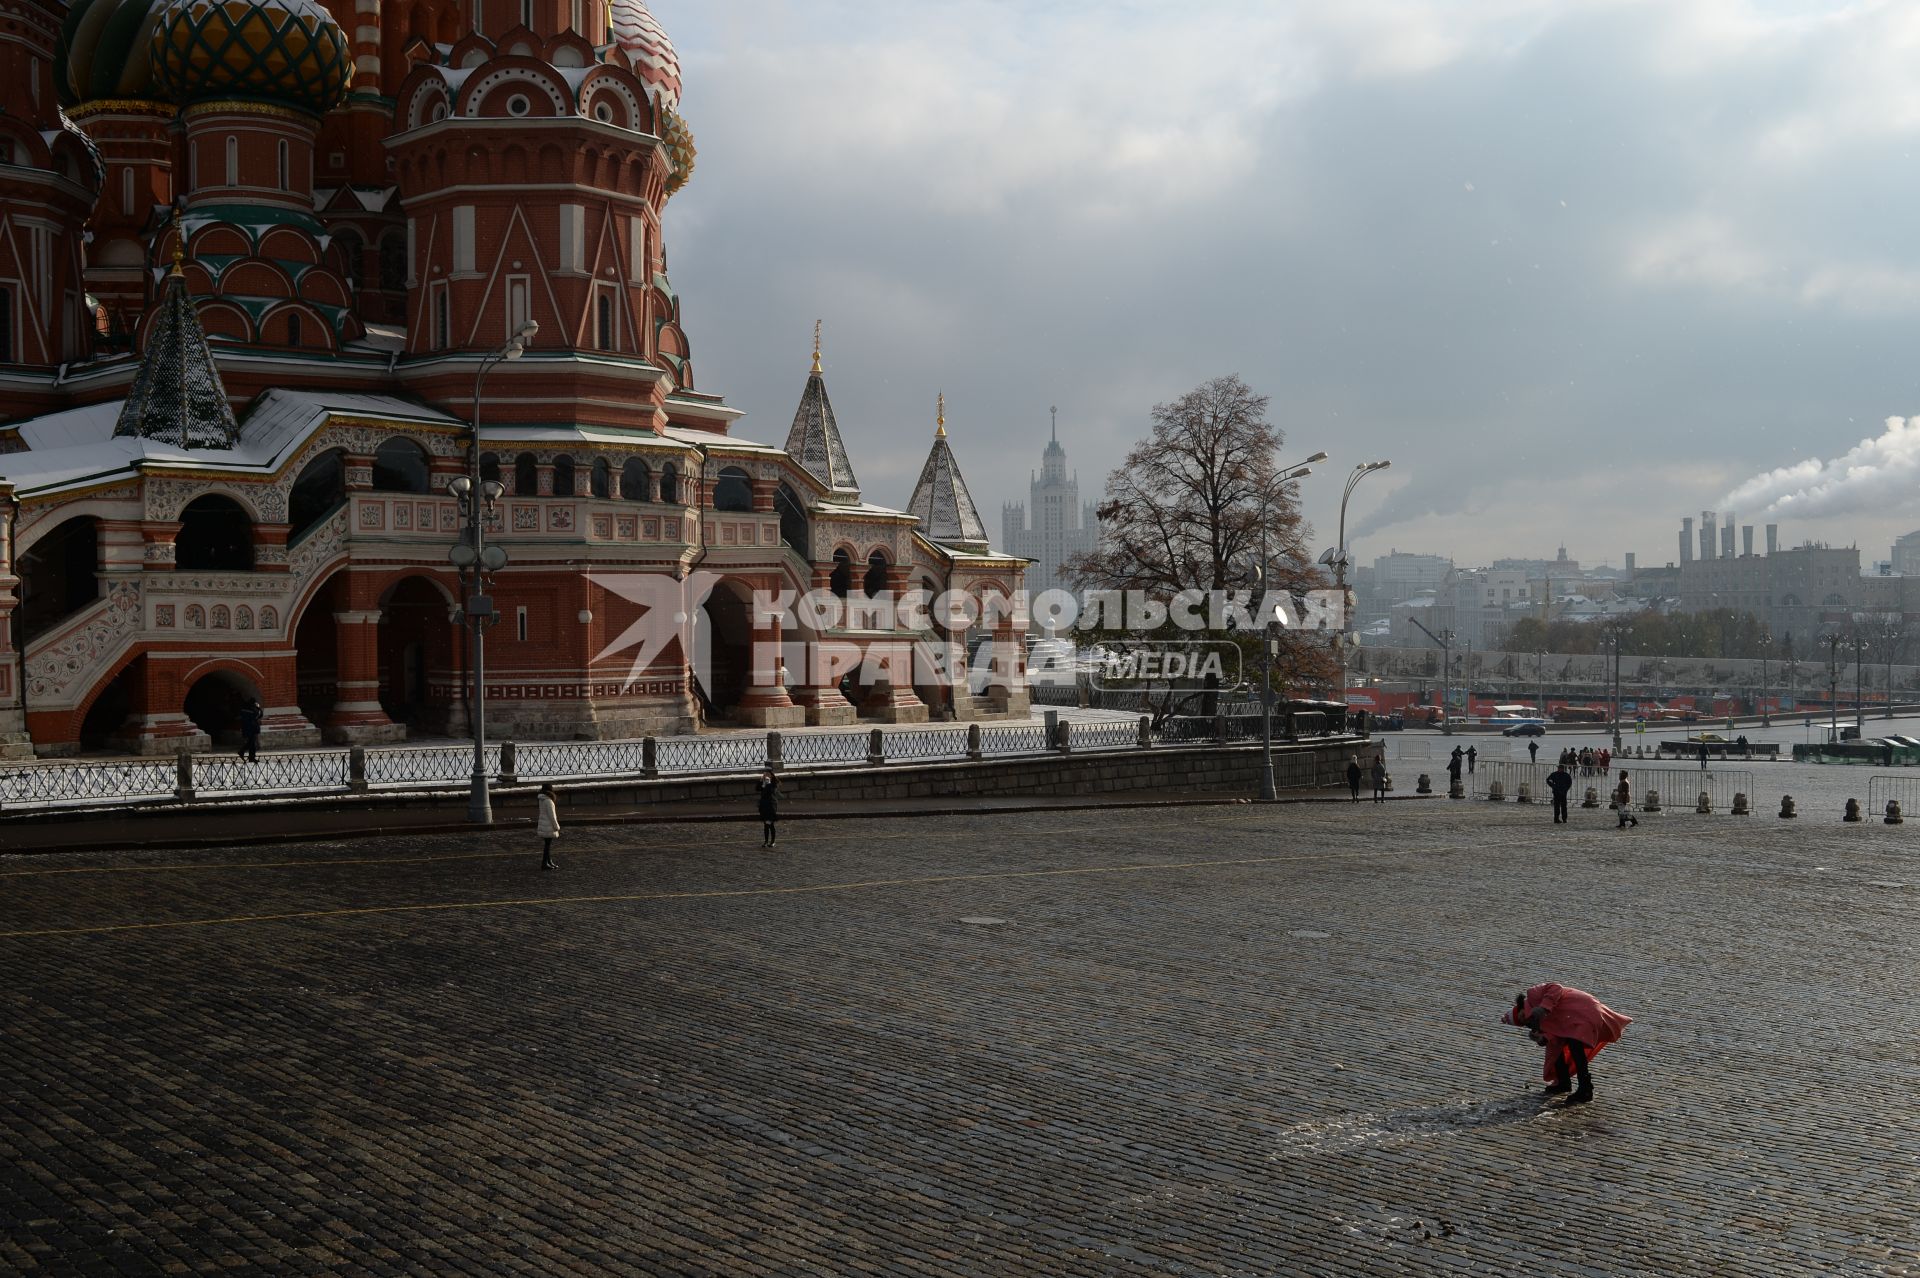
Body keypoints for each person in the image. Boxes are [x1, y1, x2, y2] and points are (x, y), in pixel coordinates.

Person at [1502, 983, 1632, 1105]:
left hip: (1584, 1011)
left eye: (1520, 1015)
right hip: (1575, 1020)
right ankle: (1564, 1083)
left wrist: (1544, 1008)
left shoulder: (1533, 994)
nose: (1524, 1018)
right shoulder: (1538, 1022)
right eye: (1522, 1022)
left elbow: (1556, 987)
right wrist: (1540, 1039)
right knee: (1557, 1048)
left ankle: (1585, 1089)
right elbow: (1554, 1039)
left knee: (1576, 1048)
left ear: (1519, 1007)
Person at [535, 783, 560, 870]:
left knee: (547, 845)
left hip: (544, 824)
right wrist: (556, 826)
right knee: (547, 846)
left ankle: (549, 862)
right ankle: (545, 863)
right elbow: (552, 816)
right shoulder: (548, 801)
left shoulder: (541, 799)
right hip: (548, 826)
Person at [757, 768, 780, 847]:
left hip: (771, 805)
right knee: (765, 824)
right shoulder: (763, 782)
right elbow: (757, 789)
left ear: (771, 775)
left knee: (770, 824)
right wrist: (761, 781)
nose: (766, 776)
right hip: (764, 805)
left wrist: (768, 783)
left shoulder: (773, 783)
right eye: (765, 774)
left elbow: (771, 792)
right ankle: (766, 841)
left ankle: (772, 841)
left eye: (768, 774)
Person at [237, 698, 263, 764]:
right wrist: (259, 708)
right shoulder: (253, 709)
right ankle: (244, 753)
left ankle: (248, 755)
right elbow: (259, 715)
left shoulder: (244, 709)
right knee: (252, 743)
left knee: (251, 743)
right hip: (252, 728)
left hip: (246, 728)